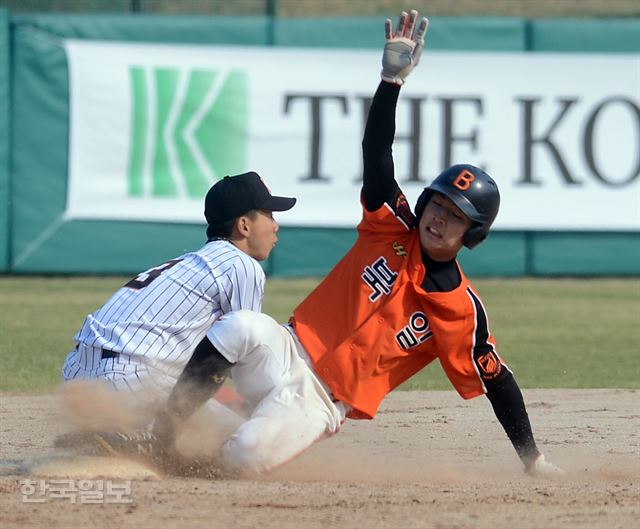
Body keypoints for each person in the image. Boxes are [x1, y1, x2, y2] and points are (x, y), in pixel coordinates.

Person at [89, 10, 563, 477]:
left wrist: (533, 458)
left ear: (474, 234)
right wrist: (390, 82)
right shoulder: (390, 225)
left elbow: (497, 378)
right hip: (287, 349)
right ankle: (161, 435)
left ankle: (192, 455)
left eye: (457, 216)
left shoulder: (462, 309)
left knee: (242, 458)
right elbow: (377, 153)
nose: (440, 218)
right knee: (241, 325)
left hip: (319, 400)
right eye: (438, 204)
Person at [57, 171, 296, 453]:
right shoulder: (240, 265)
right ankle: (135, 443)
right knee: (247, 442)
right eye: (269, 214)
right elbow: (245, 358)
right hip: (132, 378)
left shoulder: (192, 262)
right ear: (244, 225)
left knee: (205, 407)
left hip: (79, 376)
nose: (276, 225)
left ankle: (110, 433)